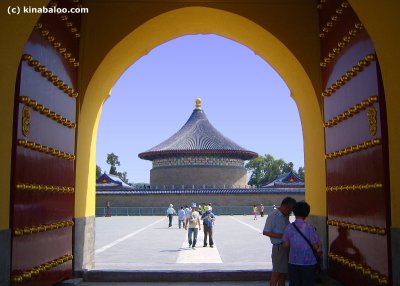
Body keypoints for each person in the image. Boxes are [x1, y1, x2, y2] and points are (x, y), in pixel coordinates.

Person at [283, 201, 322, 286]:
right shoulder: (309, 228)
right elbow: (315, 246)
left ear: (294, 212)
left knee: (294, 283)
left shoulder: (289, 227)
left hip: (293, 261)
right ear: (307, 213)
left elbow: (285, 245)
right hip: (308, 262)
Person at [263, 197, 297, 286]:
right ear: (286, 207)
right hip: (279, 248)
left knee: (283, 274)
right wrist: (283, 236)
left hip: (286, 247)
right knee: (276, 273)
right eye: (290, 210)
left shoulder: (285, 216)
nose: (290, 212)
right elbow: (265, 231)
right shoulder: (273, 216)